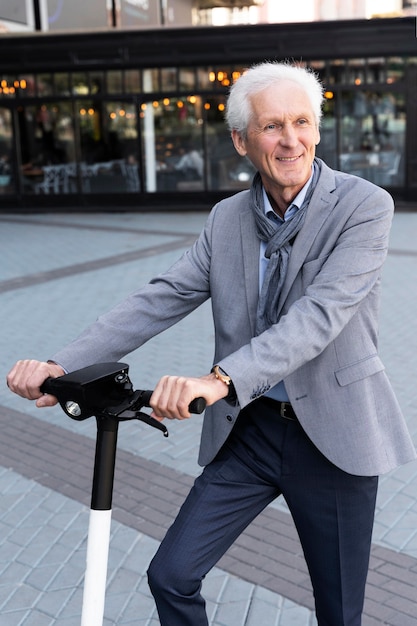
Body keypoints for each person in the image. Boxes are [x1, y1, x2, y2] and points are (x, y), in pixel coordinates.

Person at [7, 61, 416, 626]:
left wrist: (217, 379)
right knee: (170, 575)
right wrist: (62, 364)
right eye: (273, 126)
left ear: (318, 130)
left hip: (334, 436)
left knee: (338, 612)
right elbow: (164, 295)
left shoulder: (364, 206)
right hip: (250, 431)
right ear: (241, 141)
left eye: (302, 122)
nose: (290, 139)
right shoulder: (226, 218)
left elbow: (319, 317)